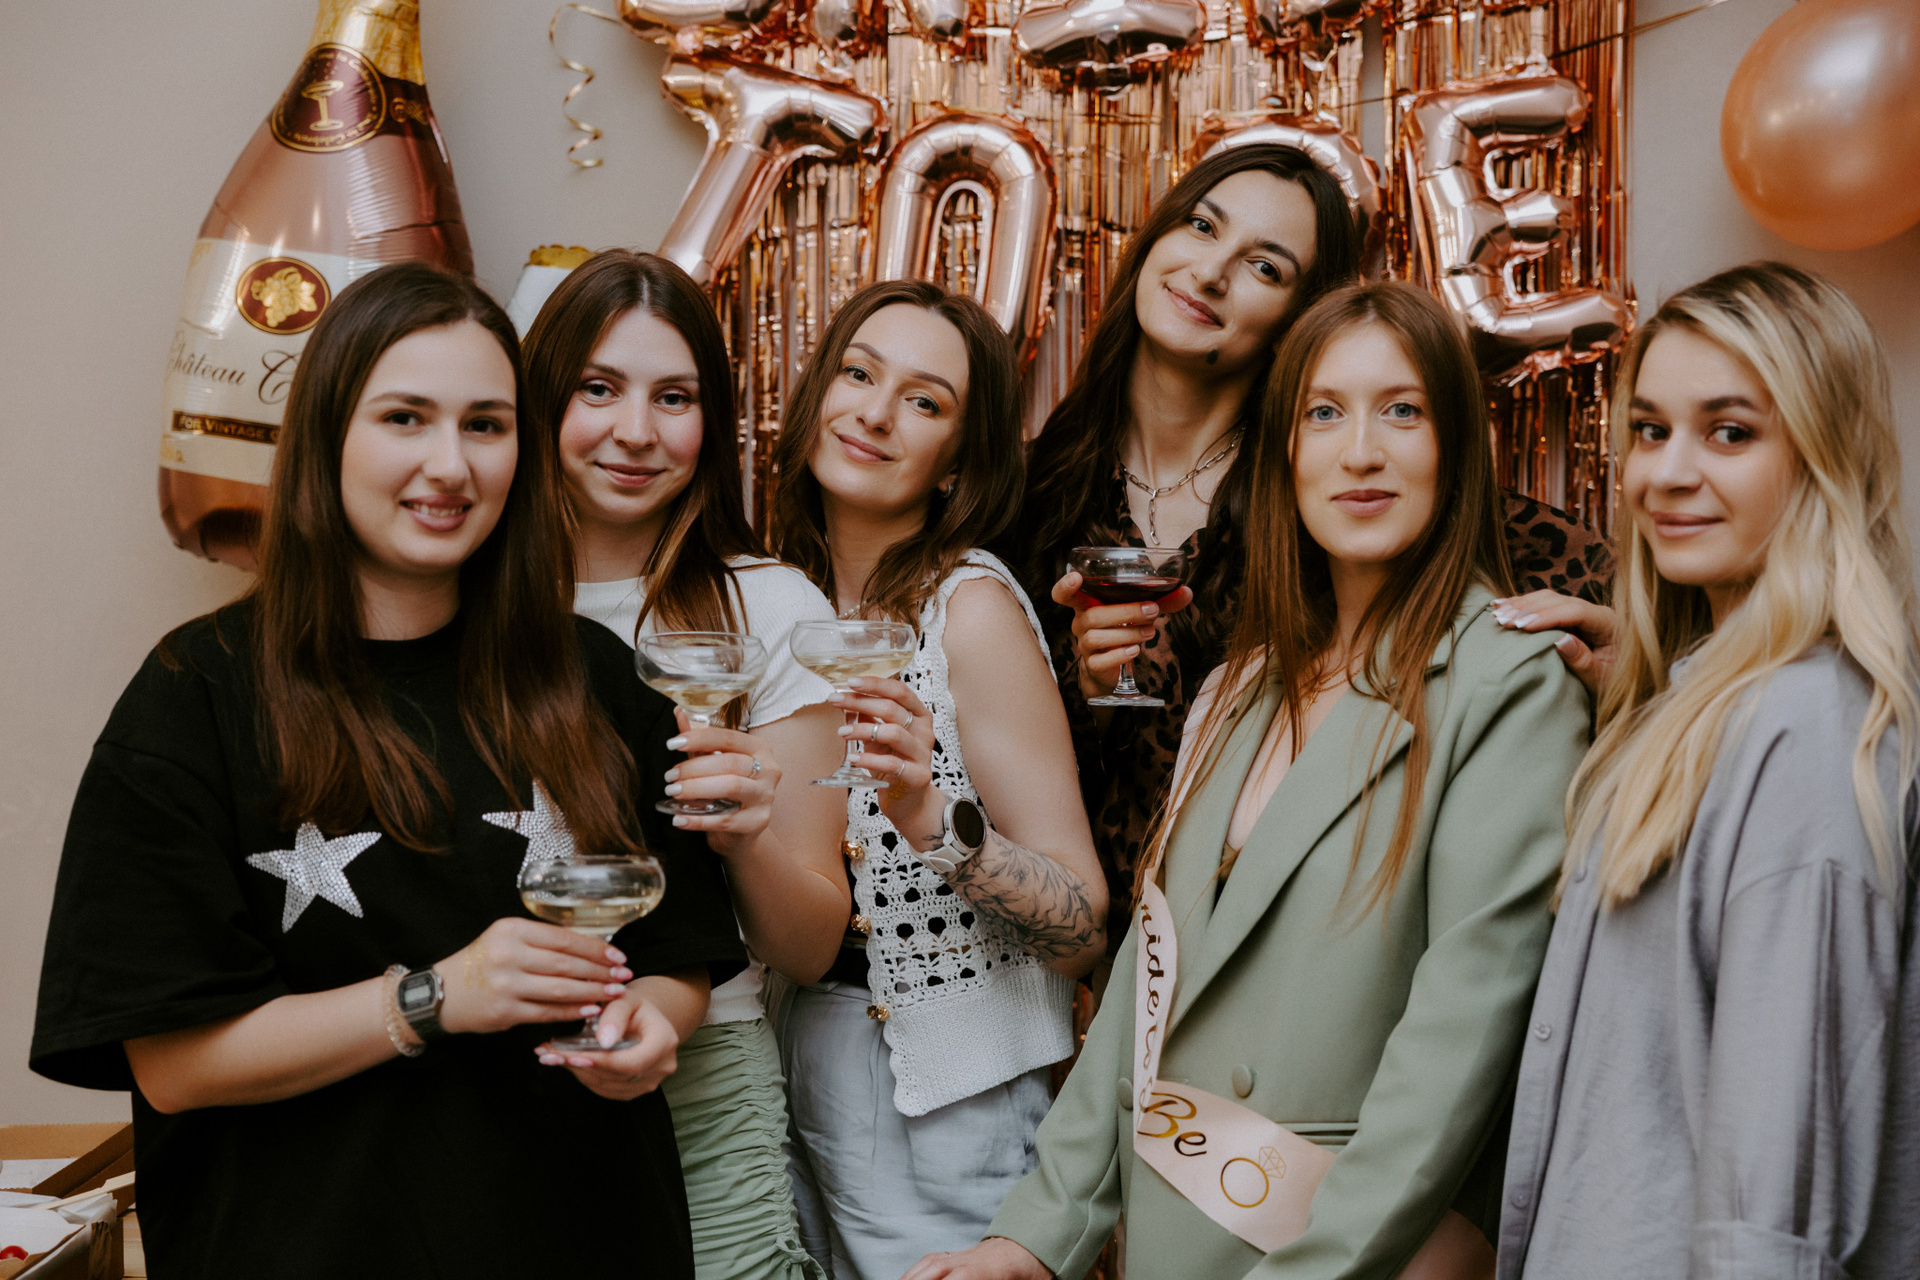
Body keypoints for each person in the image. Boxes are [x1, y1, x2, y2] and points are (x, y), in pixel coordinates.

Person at [29, 264, 746, 1280]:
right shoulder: (195, 697)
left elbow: (679, 960)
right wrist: (434, 996)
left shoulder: (595, 678)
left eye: (486, 425)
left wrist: (649, 1027)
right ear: (328, 435)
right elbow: (174, 1064)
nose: (450, 465)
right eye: (405, 418)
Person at [914, 281, 1591, 1280]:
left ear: (1457, 446)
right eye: (1325, 413)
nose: (1361, 450)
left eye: (1402, 410)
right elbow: (1149, 981)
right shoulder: (1242, 685)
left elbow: (1463, 1039)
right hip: (1173, 1242)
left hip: (1347, 1252)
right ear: (1286, 453)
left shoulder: (1511, 681)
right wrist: (1032, 1236)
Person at [1005, 144, 1612, 951]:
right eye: (1201, 226)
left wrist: (1632, 657)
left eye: (1265, 266)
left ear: (1300, 318)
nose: (1210, 273)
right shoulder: (1032, 491)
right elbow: (998, 771)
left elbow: (1531, 546)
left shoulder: (1325, 486)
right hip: (1071, 970)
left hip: (1271, 953)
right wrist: (1092, 691)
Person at [1495, 263, 1920, 1278]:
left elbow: (1771, 1212)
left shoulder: (1807, 730)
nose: (1667, 474)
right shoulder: (1720, 709)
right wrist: (1652, 710)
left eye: (1730, 432)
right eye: (1650, 430)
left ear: (1824, 454)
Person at [764, 279, 1109, 1280]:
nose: (875, 412)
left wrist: (934, 823)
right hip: (792, 1062)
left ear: (958, 459)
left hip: (949, 1095)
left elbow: (1083, 924)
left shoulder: (971, 610)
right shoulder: (772, 601)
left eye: (924, 400)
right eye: (857, 373)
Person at [523, 248, 847, 1280]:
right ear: (540, 399)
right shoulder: (464, 602)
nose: (636, 431)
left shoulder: (769, 609)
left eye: (674, 397)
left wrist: (747, 838)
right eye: (598, 389)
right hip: (496, 1066)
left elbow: (809, 947)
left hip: (705, 1072)